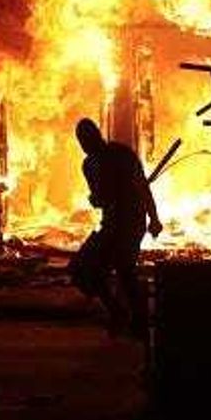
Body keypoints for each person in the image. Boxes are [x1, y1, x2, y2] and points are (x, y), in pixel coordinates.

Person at [69, 118, 161, 338]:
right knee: (82, 269)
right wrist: (98, 199)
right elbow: (102, 198)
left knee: (125, 270)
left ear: (96, 135)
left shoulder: (121, 154)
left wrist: (154, 218)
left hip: (130, 223)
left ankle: (138, 321)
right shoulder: (90, 164)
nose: (85, 144)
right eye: (82, 140)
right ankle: (118, 312)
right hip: (111, 224)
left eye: (87, 138)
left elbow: (142, 187)